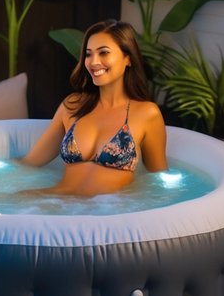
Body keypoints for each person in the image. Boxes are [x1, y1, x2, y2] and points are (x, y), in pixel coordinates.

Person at [19, 18, 167, 196]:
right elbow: (29, 163)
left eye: (103, 52)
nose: (93, 62)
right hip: (57, 202)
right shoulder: (72, 105)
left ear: (128, 58)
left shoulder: (146, 113)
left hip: (108, 214)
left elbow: (158, 180)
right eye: (88, 54)